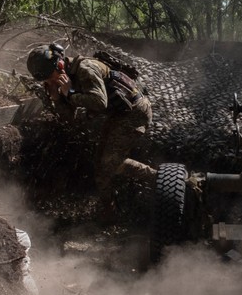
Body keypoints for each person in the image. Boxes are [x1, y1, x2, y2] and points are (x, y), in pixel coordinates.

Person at [26, 43, 157, 222]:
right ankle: (108, 210)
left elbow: (99, 102)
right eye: (45, 80)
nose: (49, 82)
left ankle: (160, 178)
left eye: (50, 77)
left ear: (60, 65)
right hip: (119, 114)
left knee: (110, 162)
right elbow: (69, 119)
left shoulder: (86, 69)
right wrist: (57, 98)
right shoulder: (64, 79)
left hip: (135, 112)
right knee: (100, 165)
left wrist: (70, 94)